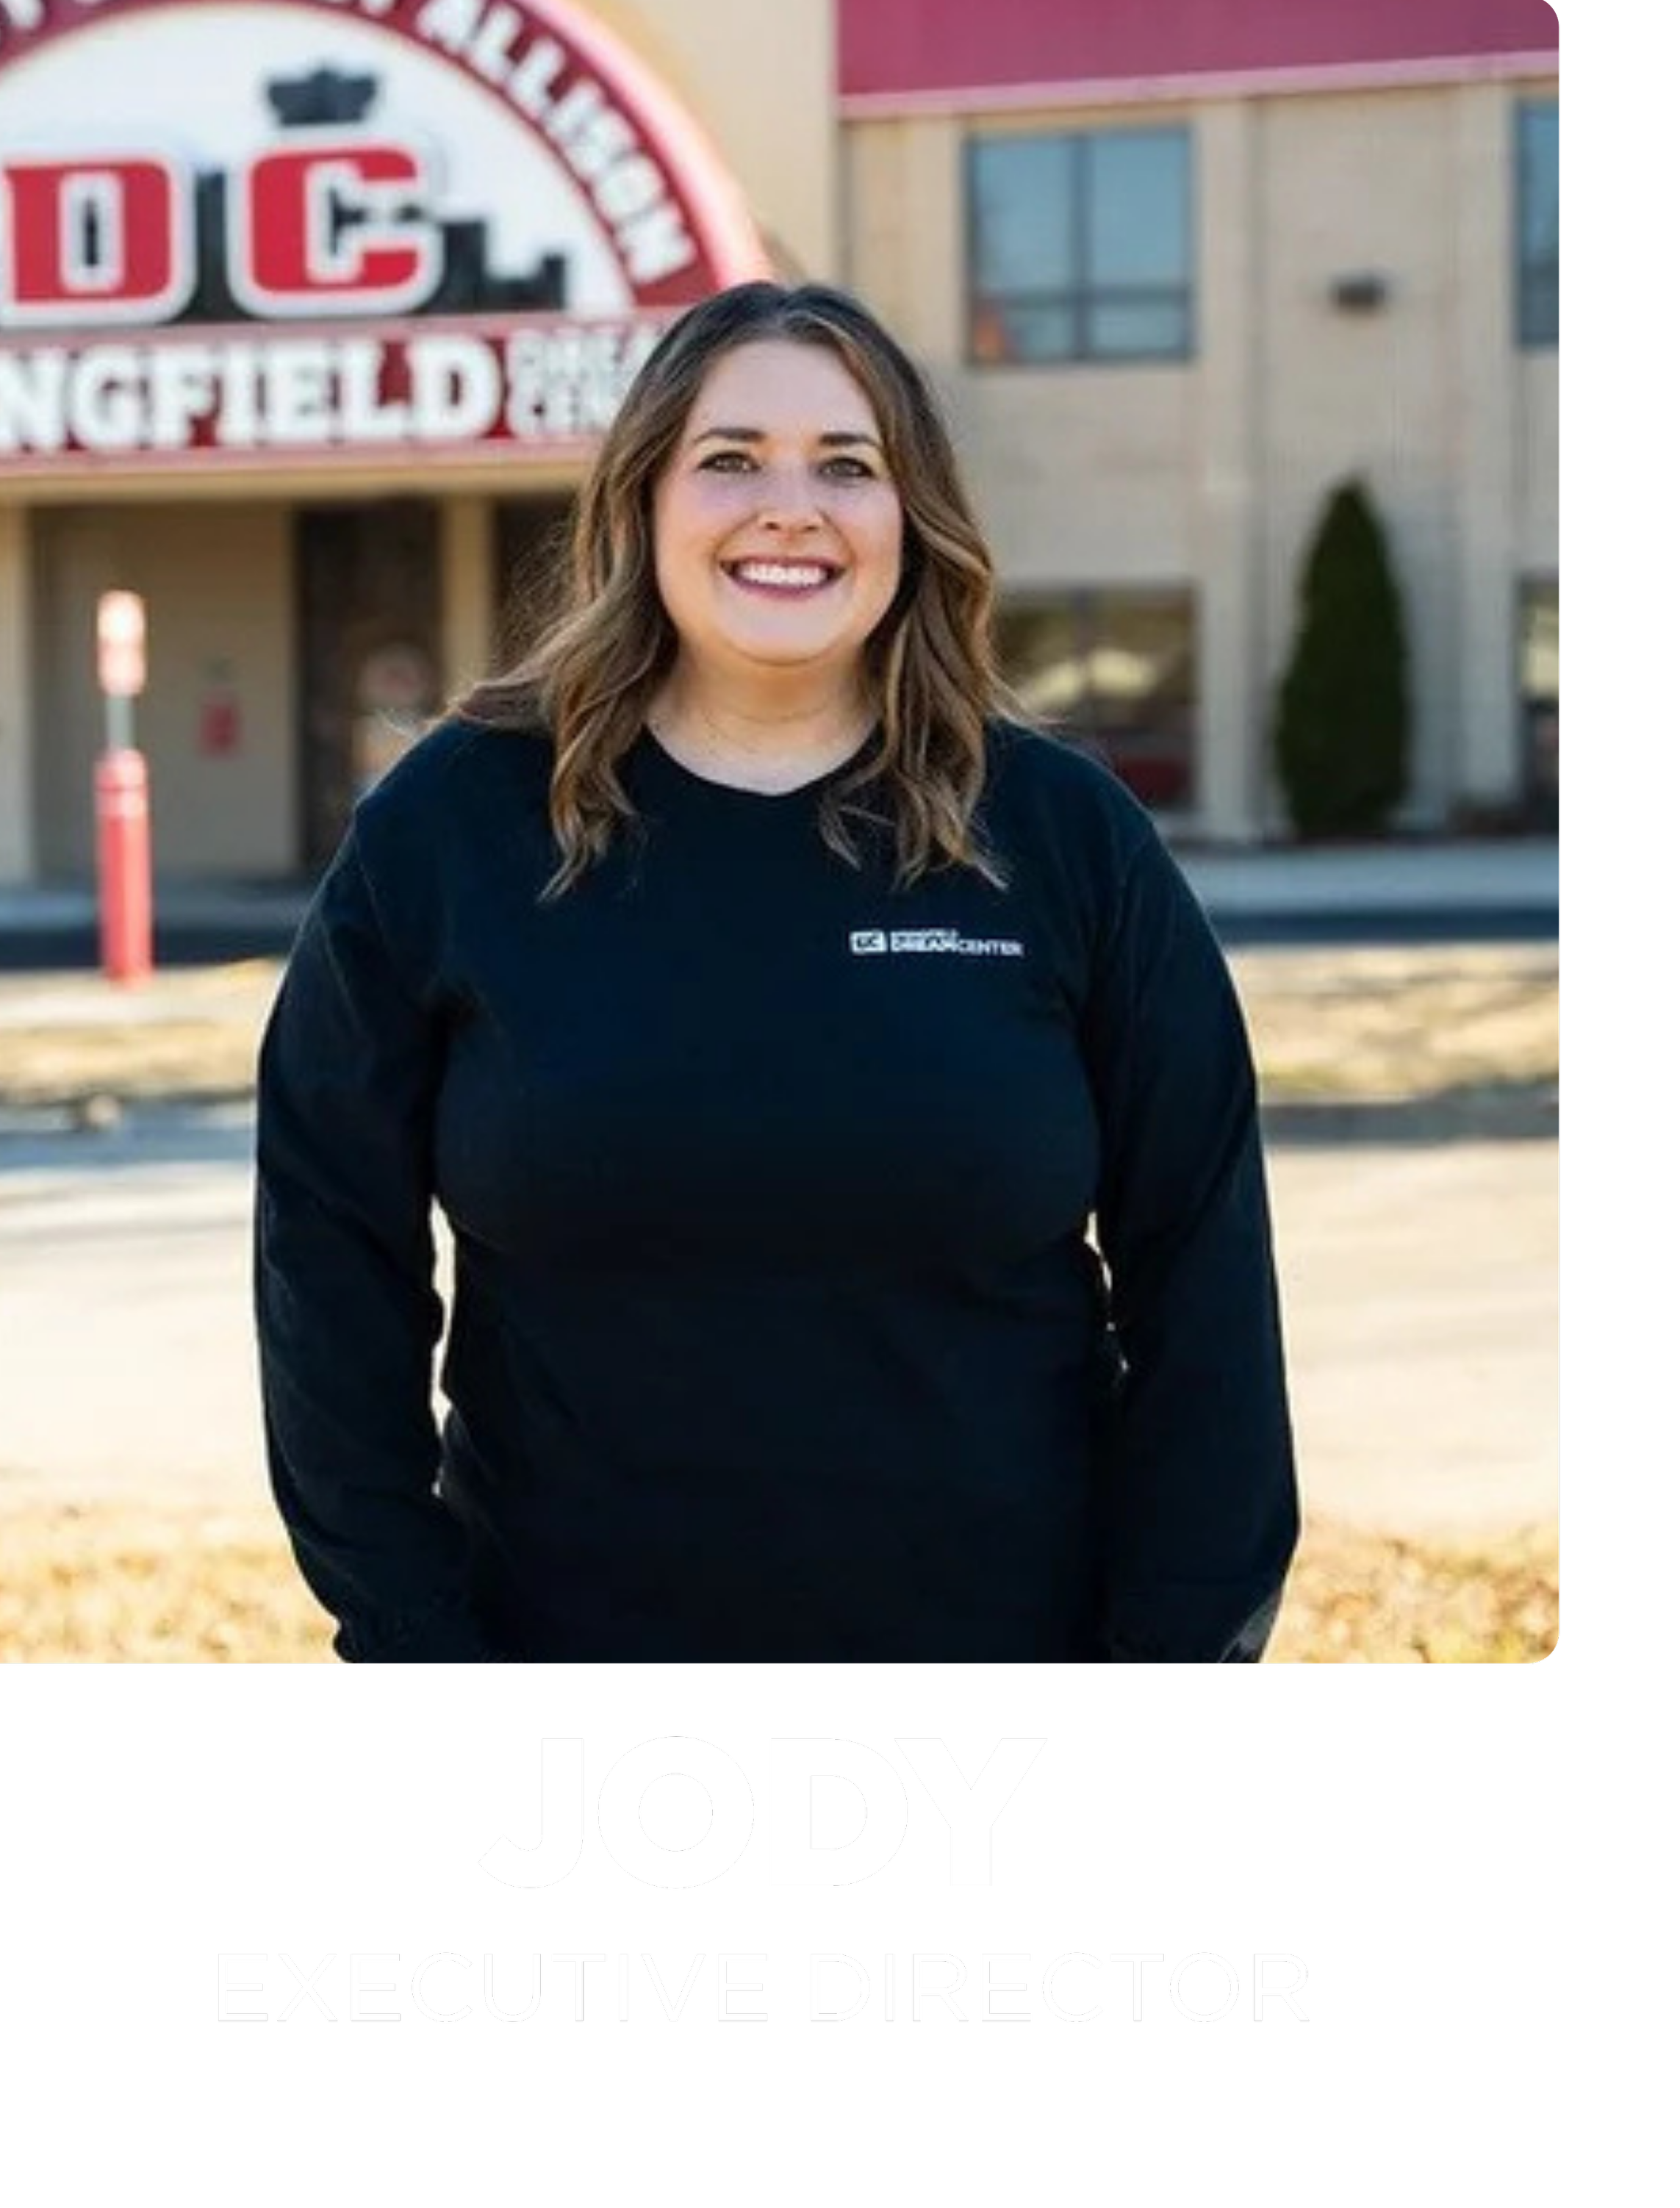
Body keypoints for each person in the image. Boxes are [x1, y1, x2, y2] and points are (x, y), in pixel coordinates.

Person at [254, 278, 1300, 1665]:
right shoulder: (455, 824)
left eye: (847, 466)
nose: (788, 507)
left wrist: (1177, 1644)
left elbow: (1204, 1275)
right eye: (731, 459)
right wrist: (411, 1630)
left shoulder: (1058, 835)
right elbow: (329, 1255)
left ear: (909, 519)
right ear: (642, 502)